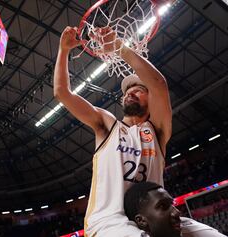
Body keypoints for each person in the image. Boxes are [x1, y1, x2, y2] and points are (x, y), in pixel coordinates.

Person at [53, 26, 226, 237]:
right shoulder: (107, 125)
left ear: (151, 99)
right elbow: (62, 93)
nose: (131, 93)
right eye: (127, 91)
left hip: (157, 217)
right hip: (109, 221)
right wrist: (63, 51)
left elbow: (159, 84)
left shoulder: (157, 130)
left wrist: (118, 46)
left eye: (139, 90)